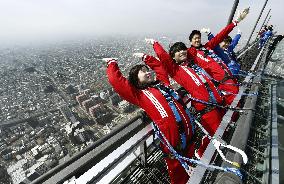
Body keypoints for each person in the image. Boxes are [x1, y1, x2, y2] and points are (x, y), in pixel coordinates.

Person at [105, 56, 195, 184]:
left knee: (193, 172)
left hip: (189, 136)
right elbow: (117, 81)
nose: (148, 72)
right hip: (175, 145)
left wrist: (146, 57)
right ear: (136, 79)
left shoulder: (162, 85)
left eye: (147, 69)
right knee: (180, 178)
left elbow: (160, 68)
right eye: (143, 71)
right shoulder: (139, 95)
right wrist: (112, 63)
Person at [145, 39, 224, 159]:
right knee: (216, 132)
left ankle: (210, 152)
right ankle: (203, 153)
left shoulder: (192, 65)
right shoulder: (176, 70)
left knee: (220, 131)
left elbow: (197, 47)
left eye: (183, 49)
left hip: (217, 102)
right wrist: (155, 44)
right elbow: (164, 59)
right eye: (177, 51)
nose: (182, 52)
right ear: (173, 57)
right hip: (207, 107)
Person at [187, 8, 249, 105]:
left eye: (199, 38)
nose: (197, 40)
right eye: (195, 39)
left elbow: (220, 36)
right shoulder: (190, 52)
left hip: (229, 77)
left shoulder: (207, 47)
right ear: (190, 41)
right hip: (220, 83)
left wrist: (236, 22)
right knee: (233, 103)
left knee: (238, 100)